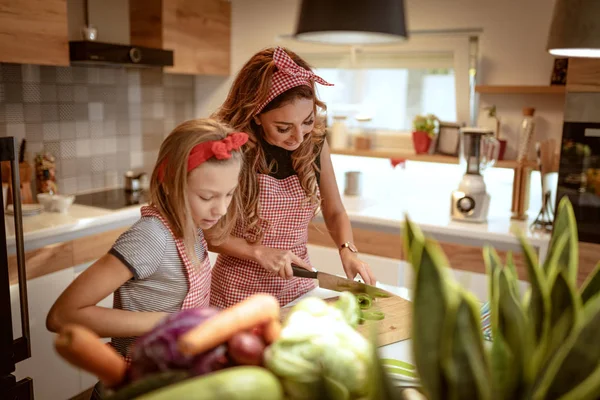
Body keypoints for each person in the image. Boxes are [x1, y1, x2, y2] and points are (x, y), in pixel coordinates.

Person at [46, 119, 248, 359]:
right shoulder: (150, 237)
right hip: (138, 380)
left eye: (229, 194)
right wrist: (171, 321)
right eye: (207, 197)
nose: (222, 209)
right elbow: (63, 315)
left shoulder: (191, 226)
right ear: (171, 185)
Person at [207, 47, 376, 309]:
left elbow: (334, 211)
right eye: (283, 128)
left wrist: (347, 249)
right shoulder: (232, 148)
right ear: (256, 115)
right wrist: (257, 251)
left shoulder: (315, 143)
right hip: (238, 296)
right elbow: (208, 233)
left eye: (307, 121)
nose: (298, 137)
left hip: (299, 290)